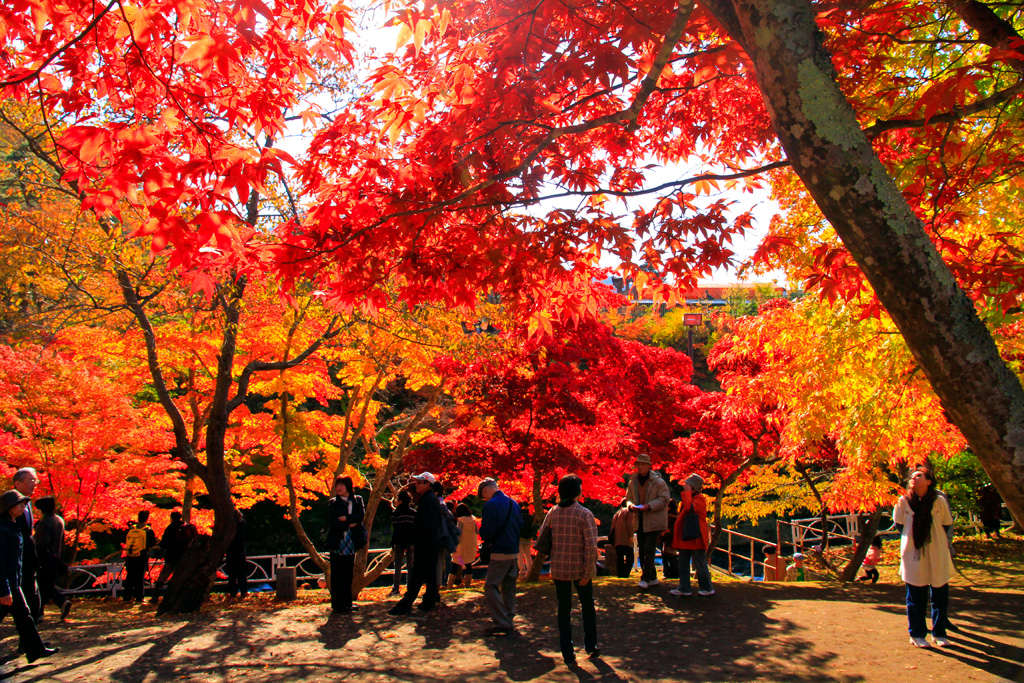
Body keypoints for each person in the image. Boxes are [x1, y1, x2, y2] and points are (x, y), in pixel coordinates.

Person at [538, 474, 599, 667]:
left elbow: (543, 535)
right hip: (580, 569)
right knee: (587, 606)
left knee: (563, 609)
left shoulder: (553, 512)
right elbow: (590, 546)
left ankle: (567, 651)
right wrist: (589, 571)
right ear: (577, 491)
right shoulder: (584, 514)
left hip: (559, 568)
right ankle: (591, 645)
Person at [894, 466, 954, 648]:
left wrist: (933, 538)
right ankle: (917, 634)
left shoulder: (939, 501)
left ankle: (939, 633)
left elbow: (946, 523)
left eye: (919, 476)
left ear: (929, 481)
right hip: (913, 553)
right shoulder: (903, 501)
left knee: (940, 595)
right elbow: (899, 524)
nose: (914, 478)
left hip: (937, 552)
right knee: (916, 596)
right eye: (912, 476)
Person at [0, 490, 58, 664]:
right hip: (7, 584)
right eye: (20, 504)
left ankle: (35, 650)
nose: (23, 507)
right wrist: (4, 590)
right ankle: (35, 650)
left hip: (13, 582)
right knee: (23, 616)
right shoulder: (3, 529)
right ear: (9, 507)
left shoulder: (12, 525)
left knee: (24, 616)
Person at [389, 472, 443, 616]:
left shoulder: (428, 500)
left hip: (425, 542)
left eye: (419, 482)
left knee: (418, 572)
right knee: (430, 572)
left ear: (427, 484)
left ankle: (407, 603)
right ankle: (429, 600)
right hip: (431, 541)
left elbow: (425, 523)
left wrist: (415, 537)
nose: (416, 485)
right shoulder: (431, 499)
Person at [478, 478, 523, 636]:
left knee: (491, 586)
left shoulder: (490, 505)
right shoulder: (513, 503)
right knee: (509, 588)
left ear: (485, 491)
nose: (485, 499)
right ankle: (509, 619)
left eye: (484, 496)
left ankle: (501, 622)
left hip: (499, 551)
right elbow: (521, 526)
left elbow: (487, 532)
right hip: (513, 551)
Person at [624, 453, 670, 589]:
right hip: (639, 519)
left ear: (649, 466)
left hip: (654, 520)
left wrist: (649, 506)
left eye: (643, 464)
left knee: (649, 548)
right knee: (643, 549)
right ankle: (653, 577)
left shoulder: (658, 482)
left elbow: (664, 499)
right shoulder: (633, 482)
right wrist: (630, 506)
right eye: (639, 464)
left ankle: (644, 578)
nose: (641, 466)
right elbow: (628, 498)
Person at [670, 474, 714, 597]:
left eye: (688, 485)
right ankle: (684, 588)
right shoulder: (690, 497)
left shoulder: (699, 498)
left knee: (699, 563)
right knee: (683, 562)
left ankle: (707, 587)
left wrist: (687, 494)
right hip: (687, 534)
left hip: (696, 536)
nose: (685, 486)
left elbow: (690, 509)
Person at [326, 475, 364, 614]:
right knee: (337, 573)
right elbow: (334, 521)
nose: (338, 488)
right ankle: (337, 604)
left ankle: (347, 602)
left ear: (348, 486)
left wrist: (346, 519)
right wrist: (351, 523)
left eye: (341, 485)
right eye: (337, 485)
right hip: (338, 540)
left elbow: (360, 516)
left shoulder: (357, 500)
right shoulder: (333, 503)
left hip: (351, 540)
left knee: (348, 573)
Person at [31, 496, 72, 621]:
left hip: (44, 559)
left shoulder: (44, 523)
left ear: (41, 509)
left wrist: (34, 544)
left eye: (36, 509)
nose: (35, 512)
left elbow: (43, 542)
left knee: (43, 585)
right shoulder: (58, 520)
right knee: (45, 585)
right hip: (55, 557)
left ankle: (61, 602)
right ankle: (40, 613)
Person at [12, 468, 41, 620]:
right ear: (17, 483)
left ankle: (30, 641)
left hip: (28, 559)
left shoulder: (27, 503)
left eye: (35, 480)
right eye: (31, 480)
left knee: (32, 598)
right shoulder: (12, 504)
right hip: (17, 558)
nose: (34, 483)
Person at [123, 510, 156, 603]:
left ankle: (127, 596)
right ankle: (139, 597)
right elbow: (152, 543)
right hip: (142, 555)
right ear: (147, 518)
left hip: (130, 554)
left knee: (130, 576)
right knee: (140, 576)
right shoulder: (148, 530)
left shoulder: (132, 528)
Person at [152, 510, 186, 602]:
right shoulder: (184, 526)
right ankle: (177, 596)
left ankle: (156, 596)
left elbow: (164, 543)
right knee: (178, 576)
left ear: (171, 518)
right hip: (183, 555)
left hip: (171, 555)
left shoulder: (170, 528)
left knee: (163, 575)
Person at [390, 490, 416, 595]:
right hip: (411, 541)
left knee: (397, 566)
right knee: (411, 565)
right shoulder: (413, 513)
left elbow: (396, 529)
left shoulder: (395, 513)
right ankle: (410, 587)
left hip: (398, 541)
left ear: (400, 500)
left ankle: (396, 587)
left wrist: (393, 541)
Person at [450, 503, 478, 588]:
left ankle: (449, 584)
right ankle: (467, 584)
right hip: (470, 545)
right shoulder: (473, 520)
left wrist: (454, 545)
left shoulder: (460, 521)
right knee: (468, 564)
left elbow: (458, 533)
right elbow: (477, 531)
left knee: (455, 563)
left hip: (461, 547)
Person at [608, 499, 636, 578]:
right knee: (630, 557)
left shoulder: (617, 513)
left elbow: (612, 527)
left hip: (617, 539)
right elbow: (630, 525)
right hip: (625, 538)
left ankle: (620, 574)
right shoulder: (628, 512)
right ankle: (626, 573)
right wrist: (631, 536)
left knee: (620, 557)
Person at [225, 510, 248, 599]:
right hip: (240, 550)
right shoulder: (241, 525)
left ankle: (233, 592)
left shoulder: (228, 526)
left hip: (231, 550)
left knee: (232, 573)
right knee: (241, 572)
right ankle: (244, 591)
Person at [661, 499, 679, 580]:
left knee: (669, 556)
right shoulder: (676, 515)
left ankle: (670, 572)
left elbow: (673, 528)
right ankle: (673, 572)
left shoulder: (671, 516)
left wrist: (666, 531)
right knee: (672, 556)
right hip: (672, 538)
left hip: (669, 538)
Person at [517, 503, 535, 574]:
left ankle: (522, 571)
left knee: (520, 555)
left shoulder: (518, 518)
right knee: (528, 555)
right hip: (528, 538)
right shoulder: (531, 518)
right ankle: (530, 570)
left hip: (520, 538)